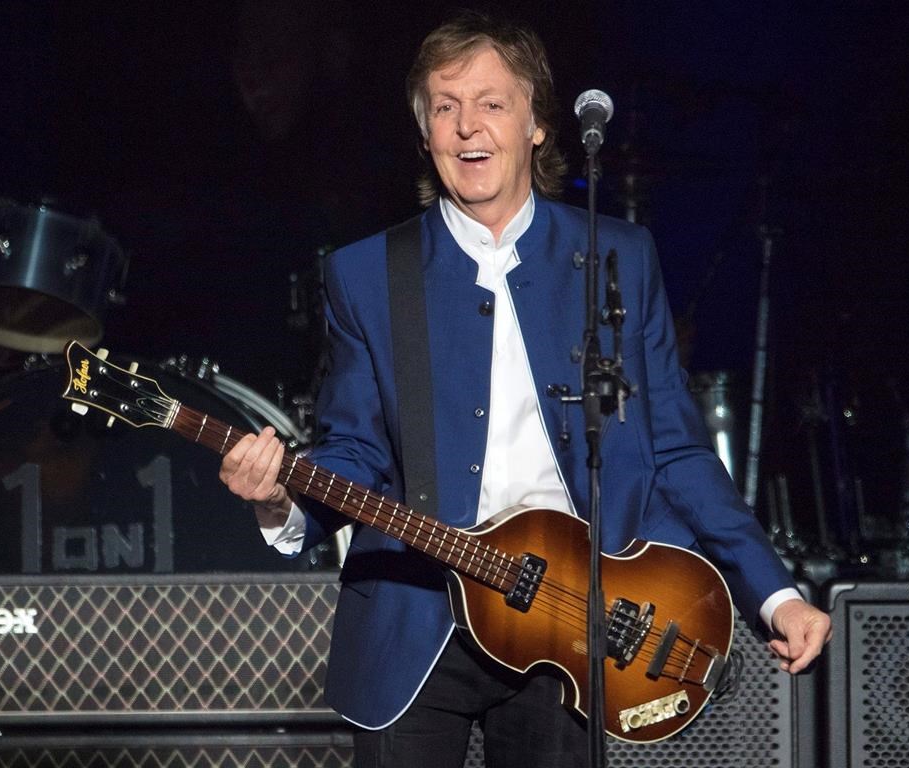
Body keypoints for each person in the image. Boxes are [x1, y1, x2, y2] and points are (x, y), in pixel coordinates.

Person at [218, 10, 832, 768]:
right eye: (445, 107)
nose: (467, 126)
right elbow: (354, 447)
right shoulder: (369, 274)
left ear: (538, 125)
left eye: (491, 103)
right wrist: (280, 500)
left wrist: (775, 593)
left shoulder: (618, 256)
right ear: (425, 133)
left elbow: (674, 447)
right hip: (417, 618)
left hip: (568, 624)